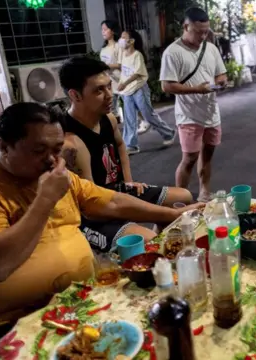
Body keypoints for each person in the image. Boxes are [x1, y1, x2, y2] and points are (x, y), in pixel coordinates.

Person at [0, 103, 192, 344]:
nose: (52, 160)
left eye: (57, 149)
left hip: (81, 300)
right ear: (3, 145)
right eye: (39, 150)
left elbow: (112, 202)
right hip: (17, 323)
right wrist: (46, 199)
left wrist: (172, 216)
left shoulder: (58, 176)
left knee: (165, 322)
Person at [58, 56, 200, 251]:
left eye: (109, 86)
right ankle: (144, 257)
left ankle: (160, 255)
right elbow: (93, 207)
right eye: (99, 90)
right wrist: (157, 213)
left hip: (116, 192)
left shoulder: (108, 119)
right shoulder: (71, 143)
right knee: (146, 238)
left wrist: (128, 181)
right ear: (75, 95)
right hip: (88, 215)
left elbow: (120, 147)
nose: (109, 95)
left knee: (182, 196)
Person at [159, 7, 227, 202]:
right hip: (188, 115)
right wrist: (197, 89)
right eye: (199, 32)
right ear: (186, 26)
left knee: (208, 155)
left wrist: (221, 81)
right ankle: (179, 200)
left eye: (206, 31)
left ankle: (205, 192)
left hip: (211, 112)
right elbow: (167, 86)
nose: (203, 35)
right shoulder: (173, 52)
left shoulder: (211, 48)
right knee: (189, 158)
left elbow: (220, 73)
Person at [118, 29, 176, 155]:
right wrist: (121, 84)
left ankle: (168, 133)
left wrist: (124, 83)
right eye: (121, 37)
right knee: (129, 118)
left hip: (139, 89)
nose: (121, 40)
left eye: (124, 37)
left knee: (148, 115)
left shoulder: (137, 55)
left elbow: (137, 73)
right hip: (127, 91)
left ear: (132, 41)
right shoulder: (123, 54)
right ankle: (131, 145)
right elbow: (124, 71)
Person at [100, 20, 150, 134]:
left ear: (112, 31)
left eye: (105, 29)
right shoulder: (103, 49)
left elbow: (123, 64)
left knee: (135, 106)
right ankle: (115, 130)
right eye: (102, 29)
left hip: (122, 81)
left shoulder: (119, 46)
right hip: (110, 83)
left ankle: (145, 120)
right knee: (112, 108)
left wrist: (107, 66)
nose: (103, 32)